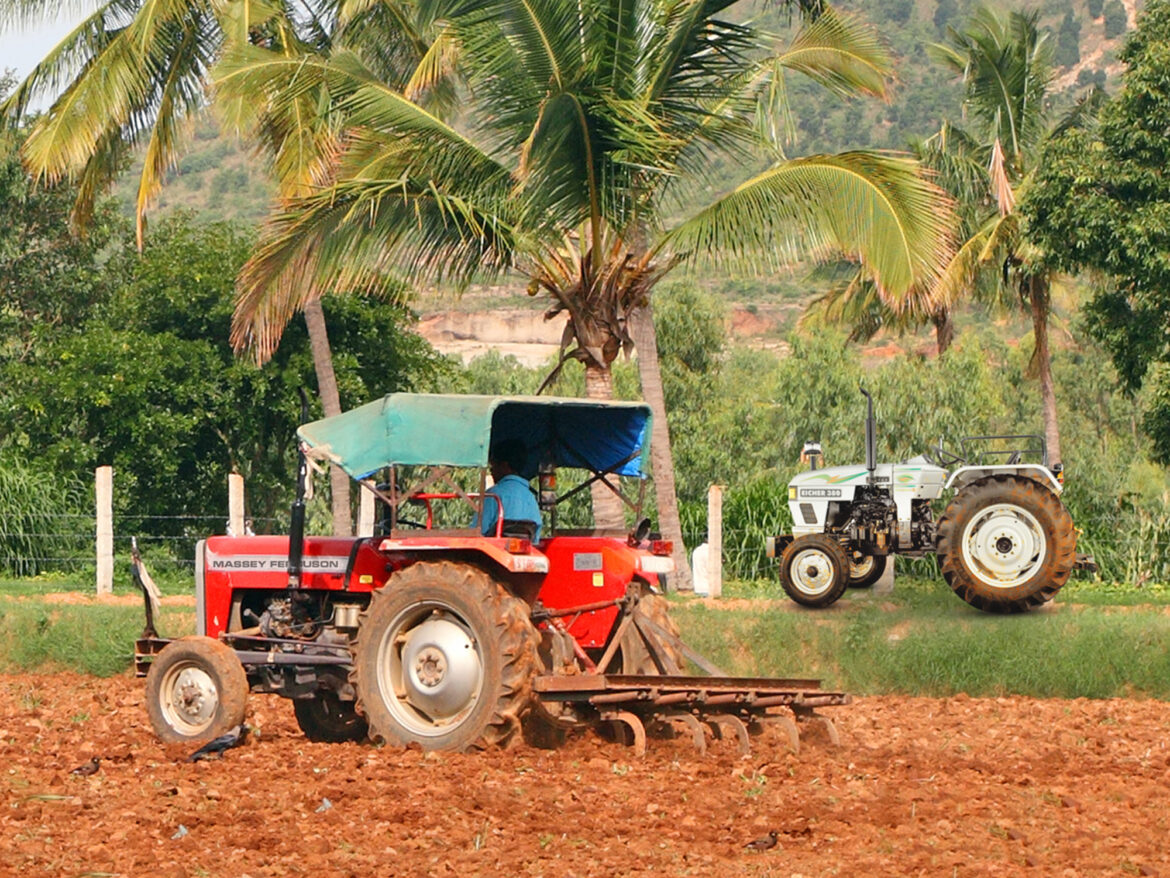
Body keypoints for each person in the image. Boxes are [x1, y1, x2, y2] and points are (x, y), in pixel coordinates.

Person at [472, 439, 542, 540]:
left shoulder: (493, 495)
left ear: (504, 465)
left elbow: (476, 532)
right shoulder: (531, 499)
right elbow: (536, 537)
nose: (491, 470)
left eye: (493, 465)